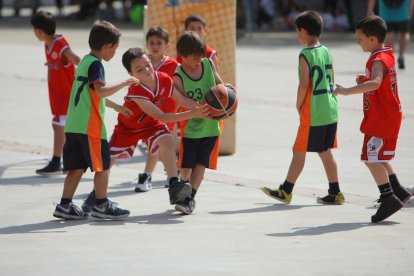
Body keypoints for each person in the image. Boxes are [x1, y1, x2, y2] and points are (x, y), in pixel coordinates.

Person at [80, 47, 210, 212]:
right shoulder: (137, 90)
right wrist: (192, 114)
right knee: (107, 162)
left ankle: (173, 185)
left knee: (167, 141)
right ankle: (95, 196)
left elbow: (183, 100)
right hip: (128, 128)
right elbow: (162, 116)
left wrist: (202, 109)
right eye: (139, 69)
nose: (147, 70)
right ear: (131, 74)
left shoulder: (163, 79)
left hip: (151, 125)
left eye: (148, 65)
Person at [52, 21, 140, 220]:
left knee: (76, 168)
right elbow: (100, 91)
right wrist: (125, 82)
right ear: (107, 46)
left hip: (74, 125)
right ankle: (101, 204)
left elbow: (91, 94)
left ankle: (64, 205)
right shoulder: (96, 65)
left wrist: (117, 107)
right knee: (103, 165)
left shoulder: (84, 61)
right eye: (115, 49)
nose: (114, 54)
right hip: (90, 127)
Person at [261, 10, 345, 205]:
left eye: (297, 30)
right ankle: (335, 191)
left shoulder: (305, 54)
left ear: (304, 31)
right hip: (330, 110)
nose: (296, 34)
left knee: (298, 150)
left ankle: (286, 190)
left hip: (313, 112)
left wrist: (298, 104)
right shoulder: (326, 50)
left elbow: (304, 84)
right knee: (325, 151)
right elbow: (332, 79)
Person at [333, 15, 412, 223]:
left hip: (381, 118)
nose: (358, 41)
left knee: (370, 158)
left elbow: (376, 83)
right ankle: (398, 190)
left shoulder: (378, 59)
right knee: (380, 157)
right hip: (387, 115)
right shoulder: (386, 54)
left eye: (359, 38)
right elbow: (379, 82)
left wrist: (346, 91)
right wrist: (365, 80)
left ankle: (388, 198)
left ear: (372, 39)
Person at [173, 31, 234, 215]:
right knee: (185, 168)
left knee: (200, 164)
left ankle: (190, 198)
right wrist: (199, 110)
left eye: (201, 57)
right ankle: (183, 186)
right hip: (191, 128)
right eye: (194, 58)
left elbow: (218, 82)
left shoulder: (207, 63)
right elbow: (183, 101)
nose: (199, 61)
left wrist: (226, 90)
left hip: (210, 127)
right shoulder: (178, 76)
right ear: (183, 56)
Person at [31, 11, 80, 176]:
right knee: (61, 126)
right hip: (57, 95)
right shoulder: (48, 43)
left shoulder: (59, 44)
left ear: (38, 31)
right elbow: (59, 63)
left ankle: (56, 161)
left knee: (59, 126)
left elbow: (76, 59)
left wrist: (90, 76)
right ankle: (65, 160)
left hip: (66, 95)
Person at [134, 26, 180, 192]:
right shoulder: (143, 64)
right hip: (148, 113)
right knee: (154, 144)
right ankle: (171, 174)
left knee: (158, 143)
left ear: (167, 45)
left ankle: (149, 175)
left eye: (158, 43)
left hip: (167, 112)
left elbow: (179, 88)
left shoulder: (174, 65)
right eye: (151, 42)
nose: (154, 46)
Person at [367, 0, 414, 69]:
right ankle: (401, 55)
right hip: (403, 13)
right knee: (404, 34)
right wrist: (410, 9)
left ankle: (391, 59)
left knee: (389, 35)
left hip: (386, 13)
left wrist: (370, 10)